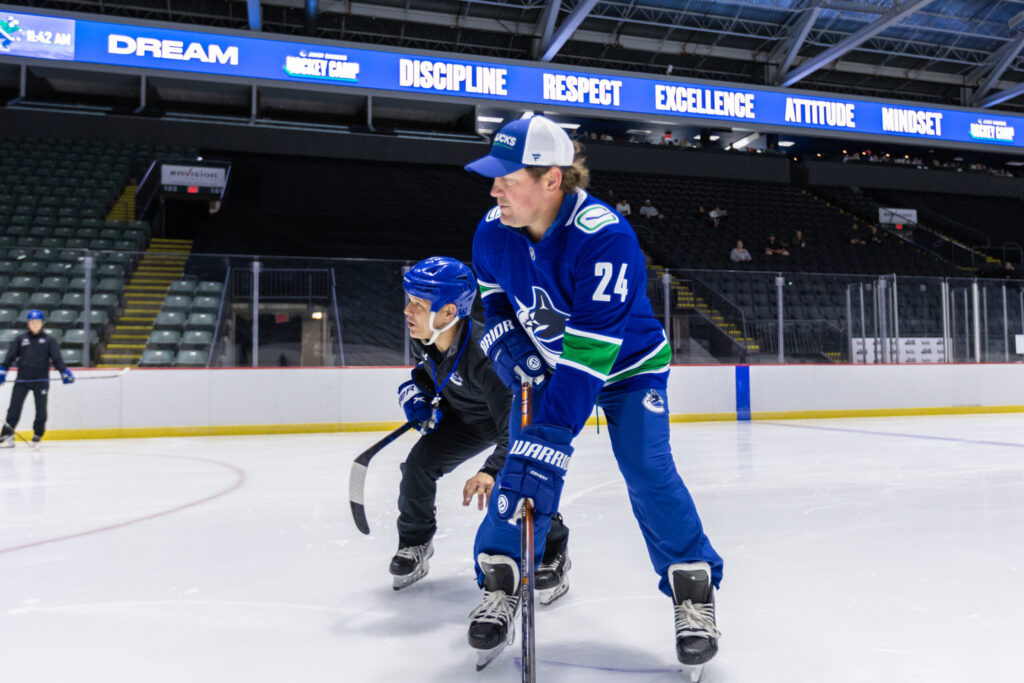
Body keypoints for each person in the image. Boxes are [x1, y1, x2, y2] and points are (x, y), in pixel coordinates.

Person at [463, 116, 722, 669]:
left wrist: (550, 439)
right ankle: (502, 579)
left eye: (507, 178)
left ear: (552, 180)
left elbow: (588, 361)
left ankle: (692, 590)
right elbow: (493, 296)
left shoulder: (605, 238)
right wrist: (506, 336)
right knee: (520, 470)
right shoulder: (492, 230)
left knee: (646, 470)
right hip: (551, 367)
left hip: (627, 369)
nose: (494, 190)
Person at [391, 256, 571, 600]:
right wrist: (418, 393)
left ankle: (553, 551)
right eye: (409, 301)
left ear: (448, 313)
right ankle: (415, 542)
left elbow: (513, 430)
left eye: (418, 304)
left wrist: (491, 470)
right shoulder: (425, 336)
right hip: (464, 422)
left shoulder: (487, 357)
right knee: (417, 466)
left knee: (520, 482)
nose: (407, 311)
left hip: (506, 423)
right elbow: (431, 374)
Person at [0, 310, 74, 448]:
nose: (35, 324)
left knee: (41, 411)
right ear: (28, 323)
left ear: (42, 323)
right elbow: (10, 357)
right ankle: (7, 436)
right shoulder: (20, 339)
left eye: (37, 322)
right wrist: (3, 370)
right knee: (14, 409)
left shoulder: (50, 340)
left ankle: (37, 435)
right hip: (22, 380)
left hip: (41, 381)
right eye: (32, 322)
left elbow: (57, 359)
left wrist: (64, 371)